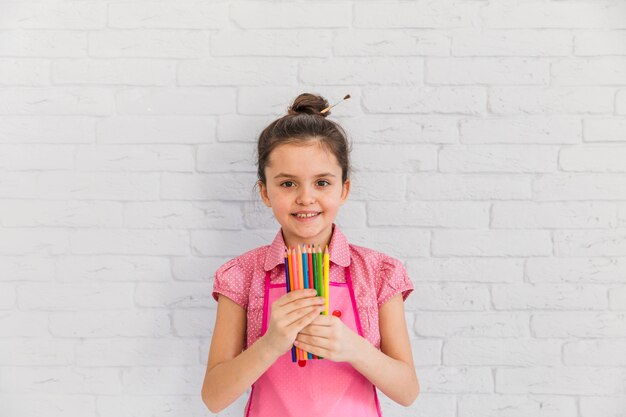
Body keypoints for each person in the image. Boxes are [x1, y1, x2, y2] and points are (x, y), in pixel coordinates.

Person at [201, 93, 419, 416]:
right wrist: (271, 344)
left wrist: (354, 348)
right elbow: (213, 397)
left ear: (343, 189)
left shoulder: (378, 273)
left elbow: (407, 391)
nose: (306, 198)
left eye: (322, 182)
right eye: (288, 184)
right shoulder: (242, 275)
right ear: (264, 192)